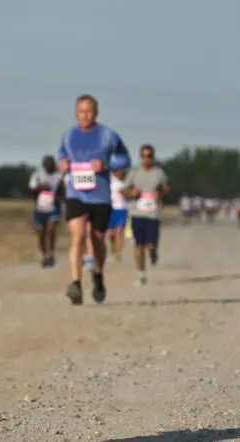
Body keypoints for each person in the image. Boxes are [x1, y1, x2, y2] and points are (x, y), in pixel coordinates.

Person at [57, 94, 131, 305]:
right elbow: (61, 154)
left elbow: (125, 158)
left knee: (98, 239)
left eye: (89, 111)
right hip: (76, 194)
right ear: (75, 113)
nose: (85, 115)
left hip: (100, 195)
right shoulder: (69, 135)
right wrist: (62, 163)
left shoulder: (108, 135)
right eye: (81, 111)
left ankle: (98, 276)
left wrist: (107, 165)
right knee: (78, 236)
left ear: (96, 113)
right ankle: (76, 284)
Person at [122, 144, 169, 286]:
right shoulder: (134, 172)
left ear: (153, 157)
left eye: (149, 156)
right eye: (144, 156)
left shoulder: (159, 173)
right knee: (138, 245)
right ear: (140, 157)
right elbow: (123, 190)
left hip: (153, 214)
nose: (146, 159)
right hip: (137, 212)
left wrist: (160, 194)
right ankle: (141, 275)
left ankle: (153, 252)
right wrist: (132, 193)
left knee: (151, 244)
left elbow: (166, 189)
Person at [28, 155, 64, 267]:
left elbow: (63, 190)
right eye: (46, 164)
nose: (48, 166)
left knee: (51, 229)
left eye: (50, 164)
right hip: (40, 207)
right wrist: (41, 188)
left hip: (53, 207)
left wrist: (59, 198)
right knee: (41, 232)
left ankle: (51, 252)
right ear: (43, 165)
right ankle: (45, 255)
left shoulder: (59, 176)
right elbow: (31, 189)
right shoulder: (37, 175)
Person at [106, 159, 131, 262]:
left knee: (119, 231)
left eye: (122, 170)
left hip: (122, 209)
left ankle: (118, 253)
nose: (120, 173)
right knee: (111, 234)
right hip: (111, 209)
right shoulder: (109, 180)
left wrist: (127, 193)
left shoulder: (127, 181)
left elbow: (130, 193)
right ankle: (113, 246)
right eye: (118, 170)